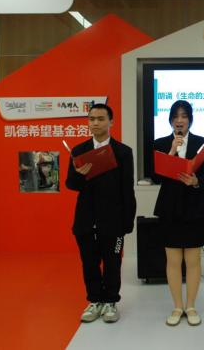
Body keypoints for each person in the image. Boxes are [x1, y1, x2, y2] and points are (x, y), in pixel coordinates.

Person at [65, 104, 136, 324]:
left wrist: (127, 222)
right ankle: (95, 300)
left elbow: (127, 189)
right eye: (91, 119)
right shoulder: (79, 151)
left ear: (111, 122)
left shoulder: (123, 152)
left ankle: (111, 301)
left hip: (113, 221)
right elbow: (70, 184)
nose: (95, 123)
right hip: (86, 219)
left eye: (100, 119)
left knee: (112, 262)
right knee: (89, 262)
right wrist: (79, 175)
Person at [152, 100, 204, 327]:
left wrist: (196, 181)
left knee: (193, 259)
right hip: (169, 207)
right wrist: (171, 152)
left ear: (190, 119)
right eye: (176, 116)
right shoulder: (160, 143)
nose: (180, 120)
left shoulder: (200, 143)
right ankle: (177, 306)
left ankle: (191, 306)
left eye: (184, 116)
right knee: (173, 259)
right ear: (170, 120)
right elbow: (156, 177)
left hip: (194, 207)